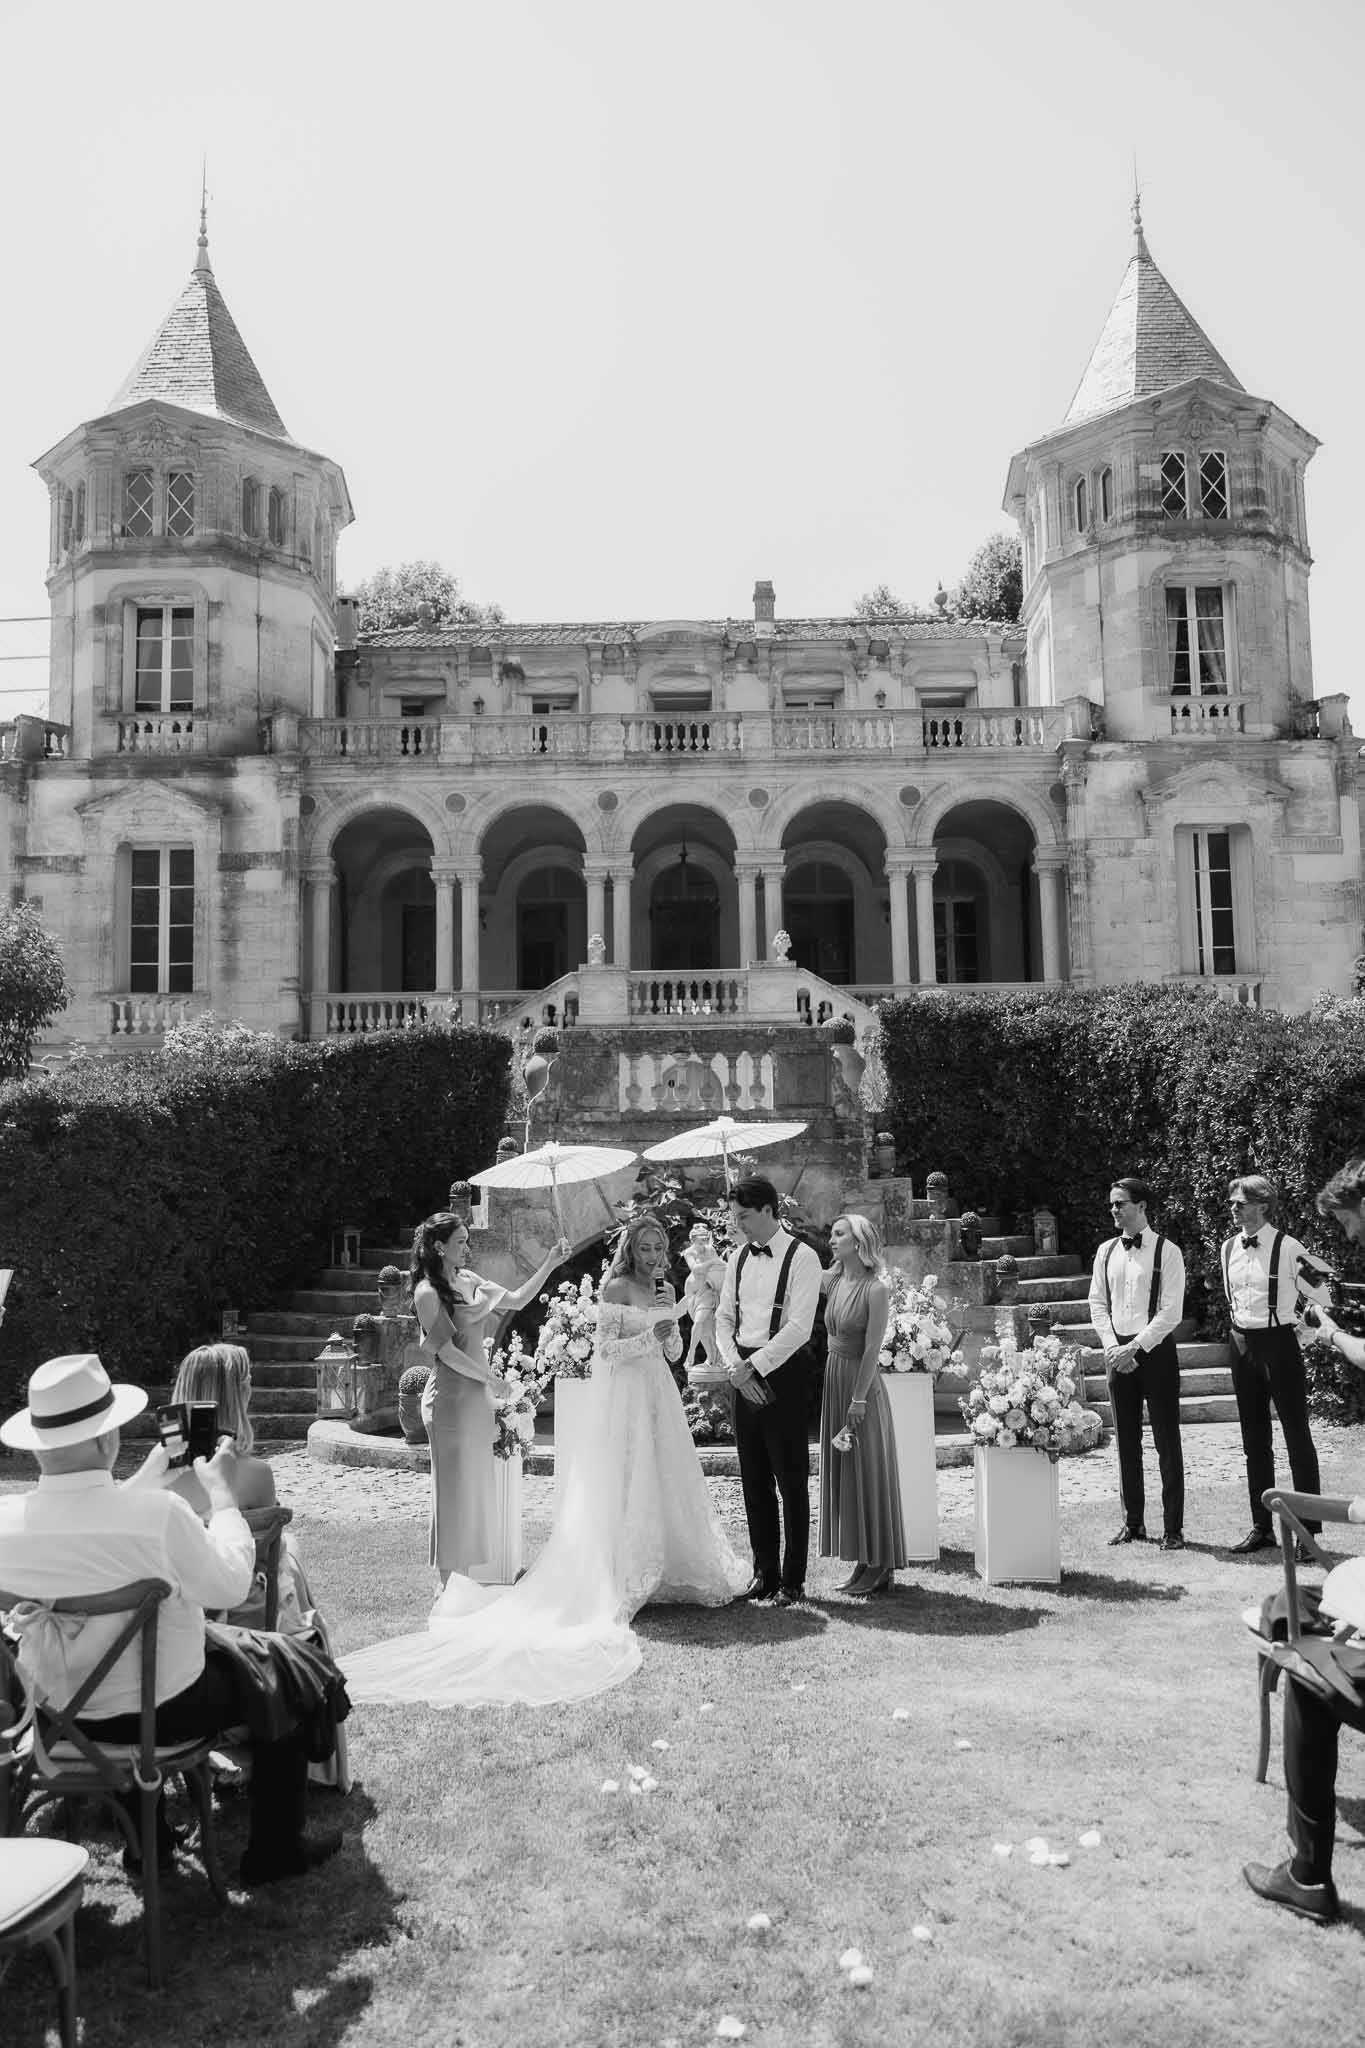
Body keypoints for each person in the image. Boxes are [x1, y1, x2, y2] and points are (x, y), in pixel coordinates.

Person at [342, 1211, 747, 1708]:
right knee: (459, 1490)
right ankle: (450, 1582)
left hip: (654, 1395)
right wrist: (651, 1333)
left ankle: (663, 1566)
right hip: (473, 1394)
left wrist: (663, 1318)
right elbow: (604, 1350)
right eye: (645, 1247)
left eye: (659, 1248)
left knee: (658, 1481)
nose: (655, 1256)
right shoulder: (435, 1293)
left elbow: (669, 1349)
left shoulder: (474, 1280)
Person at [0, 1353, 346, 1886]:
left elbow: (93, 1517)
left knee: (214, 1661)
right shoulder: (157, 1519)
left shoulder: (7, 1527)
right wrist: (223, 1496)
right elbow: (231, 1583)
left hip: (53, 1719)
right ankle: (274, 1850)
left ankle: (150, 1842)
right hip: (166, 1713)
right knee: (287, 1672)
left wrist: (145, 1478)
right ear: (108, 1439)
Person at [1243, 1158, 1365, 1925]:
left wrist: (1332, 1510)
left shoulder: (1292, 1248)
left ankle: (1308, 1875)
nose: (1347, 1236)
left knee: (1298, 1645)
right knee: (1300, 1600)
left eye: (1351, 1221)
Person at [165, 1340, 350, 1789]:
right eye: (245, 1385)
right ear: (235, 1397)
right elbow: (260, 1564)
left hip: (178, 1621)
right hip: (244, 1619)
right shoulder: (255, 1475)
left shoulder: (160, 1486)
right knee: (292, 1561)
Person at [412, 1209, 571, 1587]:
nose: (468, 1249)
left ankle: (465, 1585)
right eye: (461, 1242)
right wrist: (491, 1379)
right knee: (452, 1493)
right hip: (450, 1400)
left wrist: (550, 1261)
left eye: (468, 1240)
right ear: (439, 1247)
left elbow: (516, 1299)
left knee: (474, 1493)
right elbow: (446, 1352)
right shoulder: (427, 1293)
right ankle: (446, 1589)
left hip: (476, 1400)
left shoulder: (469, 1280)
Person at [714, 1176, 822, 1606]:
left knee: (790, 1481)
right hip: (742, 1370)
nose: (738, 1225)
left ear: (766, 1210)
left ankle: (793, 1580)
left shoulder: (804, 1257)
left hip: (784, 1372)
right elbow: (723, 1319)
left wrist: (752, 1367)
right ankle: (765, 1574)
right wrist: (732, 1365)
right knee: (754, 1480)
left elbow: (799, 1327)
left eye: (743, 1216)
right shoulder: (737, 1257)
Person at [1220, 1174, 1321, 1554]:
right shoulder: (1228, 1247)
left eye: (1240, 1202)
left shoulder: (1293, 1247)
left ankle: (1309, 1533)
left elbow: (1324, 1296)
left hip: (1280, 1343)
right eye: (1232, 1202)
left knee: (1297, 1436)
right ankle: (1261, 1527)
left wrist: (1300, 1338)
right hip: (1241, 1343)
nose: (1233, 1207)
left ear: (1262, 1205)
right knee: (1254, 1441)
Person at [1086, 1176, 1188, 1551]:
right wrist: (1114, 1347)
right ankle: (1134, 1523)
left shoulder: (1168, 1252)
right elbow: (1097, 1303)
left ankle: (1173, 1529)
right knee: (1126, 1441)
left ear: (1142, 1206)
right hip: (1117, 1353)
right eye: (1112, 1203)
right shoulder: (1105, 1251)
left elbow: (1171, 1311)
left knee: (1166, 1440)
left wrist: (1137, 1348)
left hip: (1156, 1352)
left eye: (1121, 1203)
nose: (1114, 1209)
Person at [818, 1214, 907, 1596]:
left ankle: (881, 1563)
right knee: (849, 1474)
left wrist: (858, 1398)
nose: (831, 1240)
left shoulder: (876, 1289)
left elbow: (873, 1348)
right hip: (834, 1377)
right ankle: (861, 1561)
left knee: (869, 1471)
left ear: (858, 1242)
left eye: (839, 1234)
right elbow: (795, 1274)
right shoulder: (836, 1280)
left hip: (861, 1386)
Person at [681, 1223, 728, 1377]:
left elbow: (722, 1266)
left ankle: (692, 1353)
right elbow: (695, 1269)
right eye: (700, 1241)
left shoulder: (710, 1249)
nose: (703, 1244)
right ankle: (711, 1357)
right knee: (703, 1330)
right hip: (693, 1292)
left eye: (705, 1240)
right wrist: (712, 1263)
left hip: (708, 1290)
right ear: (693, 1240)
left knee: (704, 1324)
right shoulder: (689, 1252)